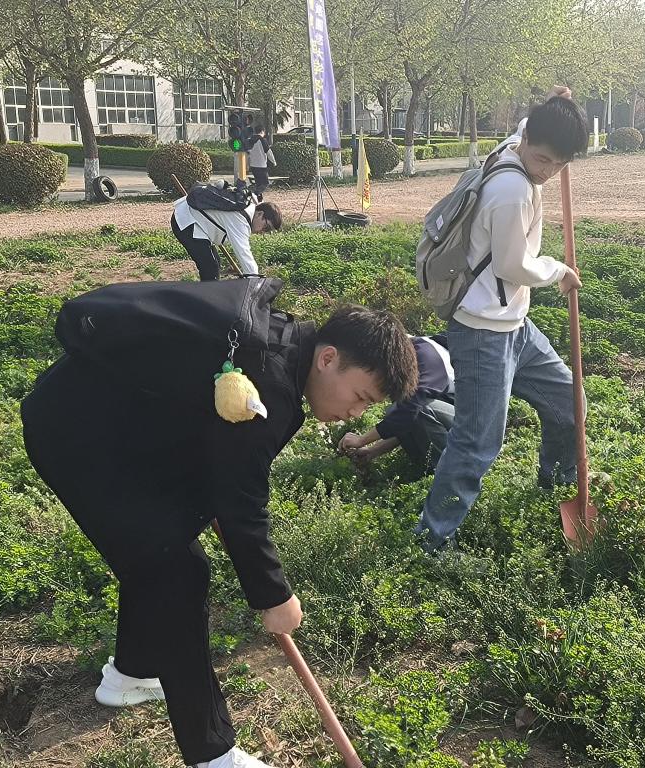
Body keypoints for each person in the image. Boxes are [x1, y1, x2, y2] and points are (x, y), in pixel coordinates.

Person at [21, 299, 418, 768]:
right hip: (78, 436)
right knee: (174, 572)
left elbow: (225, 468)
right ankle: (213, 755)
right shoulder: (269, 383)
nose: (356, 413)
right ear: (328, 358)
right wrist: (273, 595)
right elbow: (240, 502)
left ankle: (132, 674)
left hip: (110, 425)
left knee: (162, 553)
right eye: (361, 397)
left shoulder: (284, 351)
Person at [414, 86, 590, 553]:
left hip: (516, 327)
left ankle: (556, 484)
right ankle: (431, 540)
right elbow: (513, 266)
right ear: (527, 142)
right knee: (476, 442)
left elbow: (530, 130)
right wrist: (558, 271)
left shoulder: (517, 144)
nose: (547, 171)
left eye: (559, 164)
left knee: (569, 402)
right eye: (543, 159)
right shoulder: (512, 191)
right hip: (482, 333)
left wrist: (554, 104)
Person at [338, 334, 454, 475]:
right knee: (397, 409)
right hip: (455, 420)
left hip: (473, 427)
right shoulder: (411, 356)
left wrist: (362, 440)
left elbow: (410, 412)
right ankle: (428, 468)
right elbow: (409, 422)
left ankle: (452, 472)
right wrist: (373, 451)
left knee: (419, 408)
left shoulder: (427, 356)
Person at [170, 184, 283, 280]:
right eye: (266, 227)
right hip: (186, 221)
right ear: (260, 214)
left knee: (214, 264)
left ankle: (208, 295)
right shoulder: (241, 218)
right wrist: (254, 280)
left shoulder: (248, 205)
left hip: (195, 219)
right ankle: (206, 298)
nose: (263, 232)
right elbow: (243, 253)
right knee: (210, 268)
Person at [246, 125, 276, 200]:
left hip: (253, 166)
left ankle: (259, 200)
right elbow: (269, 152)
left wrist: (247, 165)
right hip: (261, 166)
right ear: (262, 131)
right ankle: (254, 194)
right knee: (265, 183)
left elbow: (247, 154)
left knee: (258, 184)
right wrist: (274, 162)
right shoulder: (262, 140)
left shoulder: (249, 141)